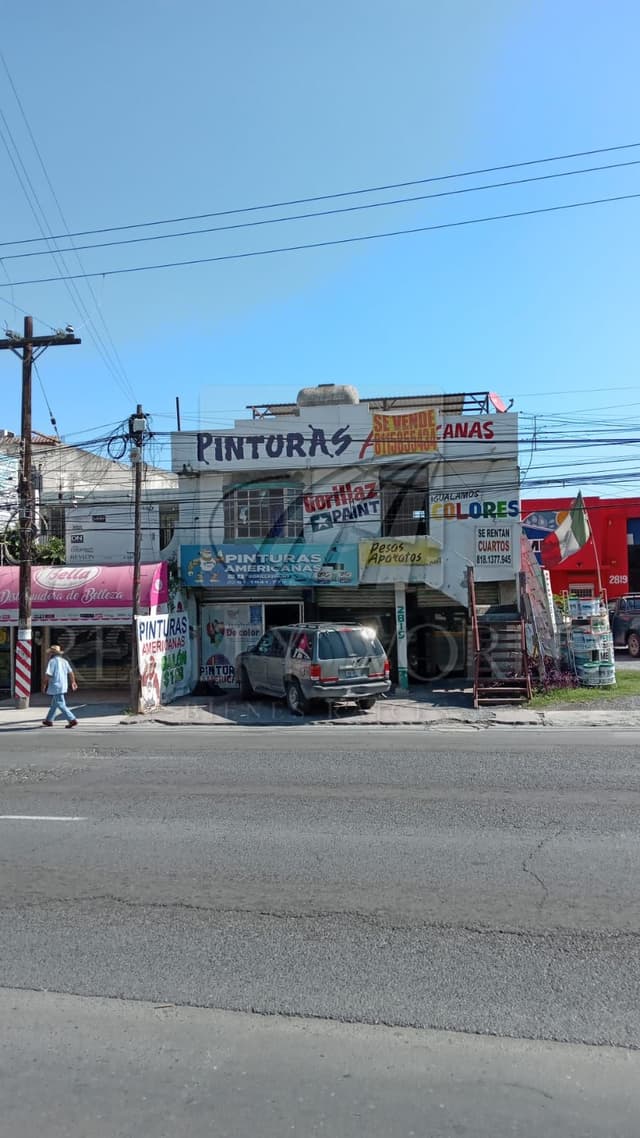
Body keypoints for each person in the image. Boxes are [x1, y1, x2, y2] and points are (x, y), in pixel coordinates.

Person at [41, 644, 78, 728]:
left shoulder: (52, 662)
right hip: (63, 685)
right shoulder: (64, 661)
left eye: (50, 653)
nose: (49, 654)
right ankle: (49, 720)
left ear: (52, 653)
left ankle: (72, 719)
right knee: (55, 704)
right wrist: (73, 682)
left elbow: (48, 675)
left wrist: (44, 685)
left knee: (60, 704)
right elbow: (71, 672)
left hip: (55, 685)